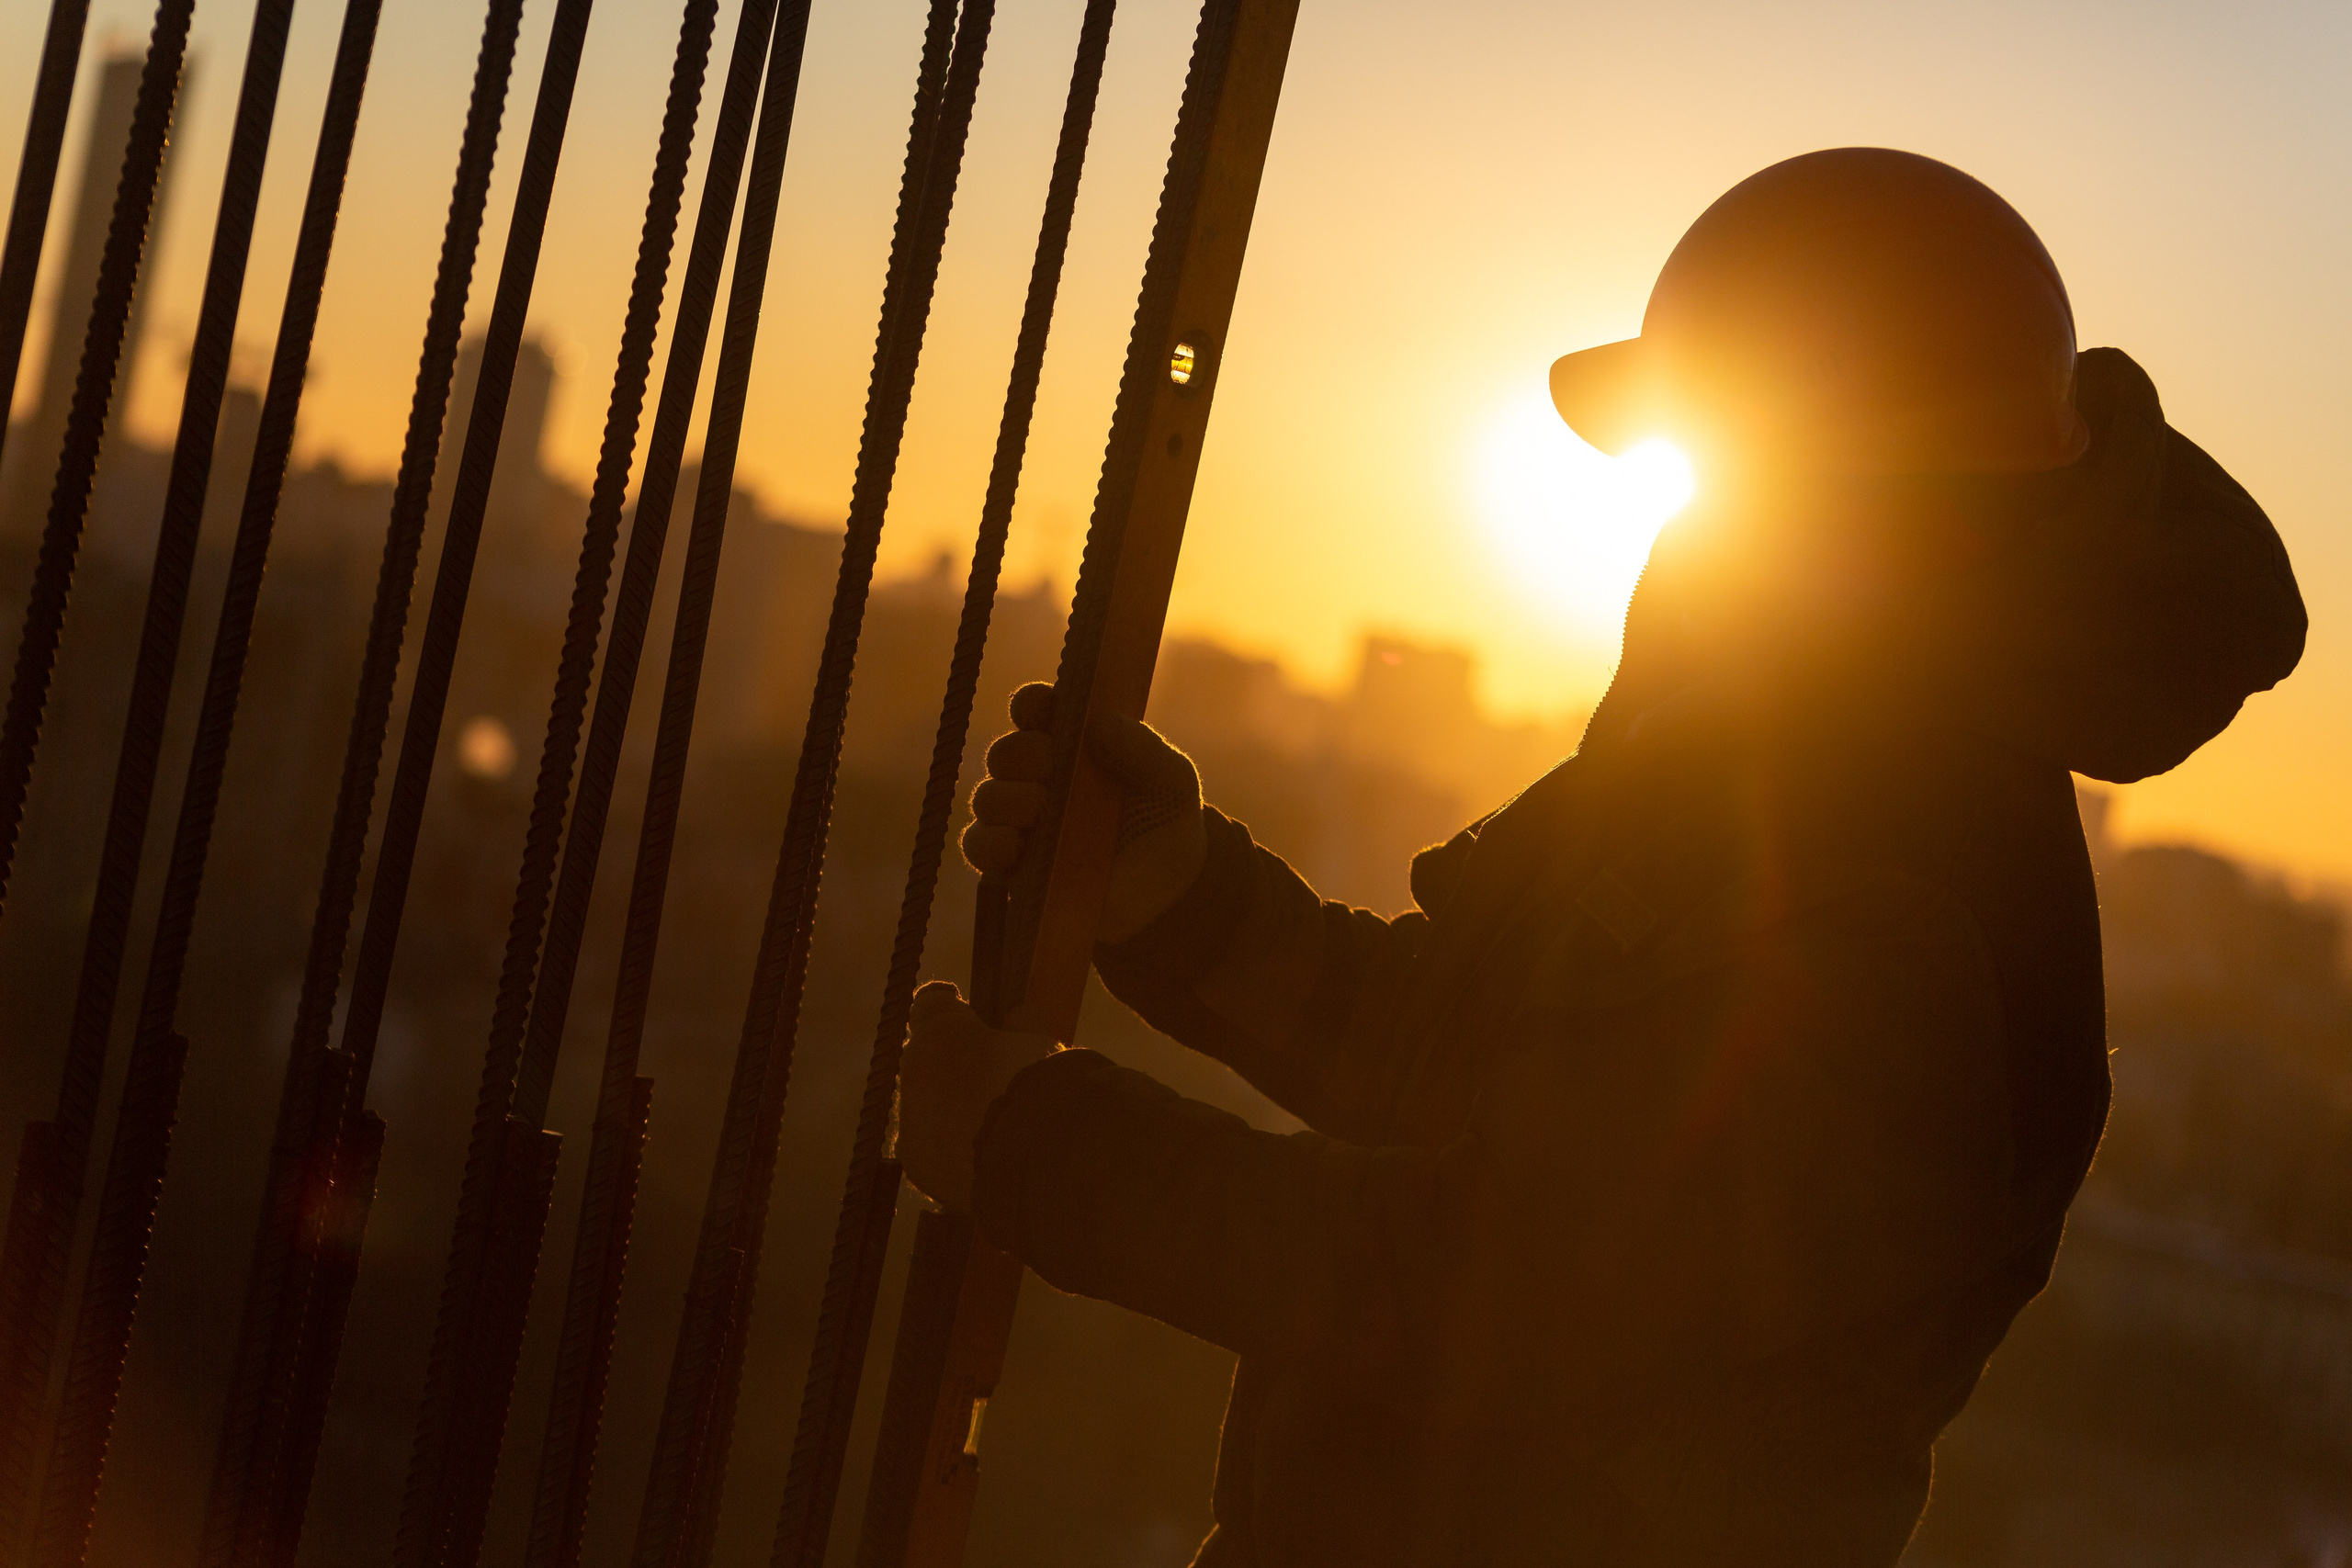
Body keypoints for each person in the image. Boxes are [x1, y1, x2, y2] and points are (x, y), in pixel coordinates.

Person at [892, 148, 2306, 1564]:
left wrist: (1051, 1152)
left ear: (1864, 488)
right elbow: (1470, 1055)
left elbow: (1520, 1291)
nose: (1689, 512)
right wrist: (1181, 899)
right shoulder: (1789, 743)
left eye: (1724, 458)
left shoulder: (1908, 890)